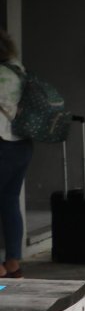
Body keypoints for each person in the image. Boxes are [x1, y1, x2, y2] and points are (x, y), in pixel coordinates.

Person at [0, 28, 33, 279]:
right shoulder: (18, 69)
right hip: (22, 144)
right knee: (10, 202)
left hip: (3, 143)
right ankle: (13, 263)